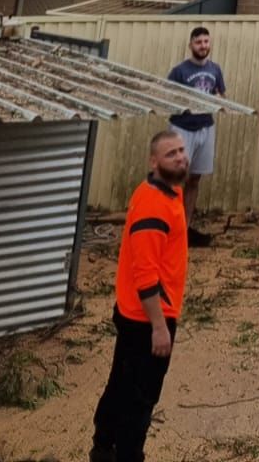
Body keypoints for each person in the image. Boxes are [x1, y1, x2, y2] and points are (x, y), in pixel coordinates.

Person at [91, 129, 189, 462]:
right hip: (146, 319)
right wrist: (160, 327)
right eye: (170, 154)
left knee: (121, 382)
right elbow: (145, 274)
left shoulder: (167, 193)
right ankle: (127, 454)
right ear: (153, 161)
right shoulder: (153, 205)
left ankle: (103, 446)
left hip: (138, 312)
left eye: (181, 150)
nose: (180, 157)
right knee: (141, 397)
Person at [165, 25, 226, 246]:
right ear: (191, 45)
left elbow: (221, 94)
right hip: (182, 127)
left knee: (195, 178)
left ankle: (185, 227)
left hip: (206, 126)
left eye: (206, 42)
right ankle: (168, 225)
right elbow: (168, 97)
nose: (203, 46)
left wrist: (221, 103)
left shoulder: (216, 69)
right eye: (198, 42)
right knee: (175, 177)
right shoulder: (179, 71)